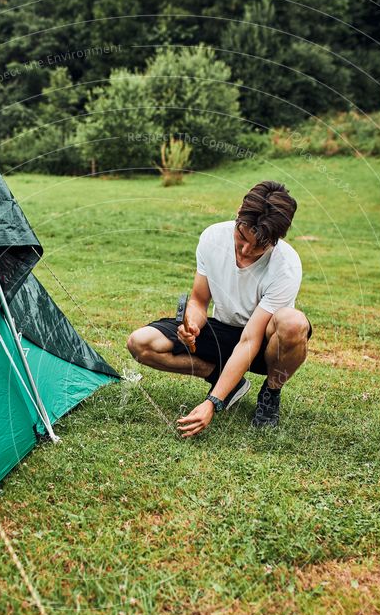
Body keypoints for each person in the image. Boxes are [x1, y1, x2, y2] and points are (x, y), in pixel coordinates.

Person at [127, 180, 311, 436]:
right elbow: (199, 301)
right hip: (222, 331)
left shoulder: (286, 264)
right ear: (238, 215)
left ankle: (271, 392)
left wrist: (213, 402)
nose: (246, 250)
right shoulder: (212, 237)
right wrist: (192, 323)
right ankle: (226, 381)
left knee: (293, 323)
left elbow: (249, 340)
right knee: (140, 343)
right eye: (242, 237)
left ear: (275, 240)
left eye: (259, 247)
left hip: (264, 345)